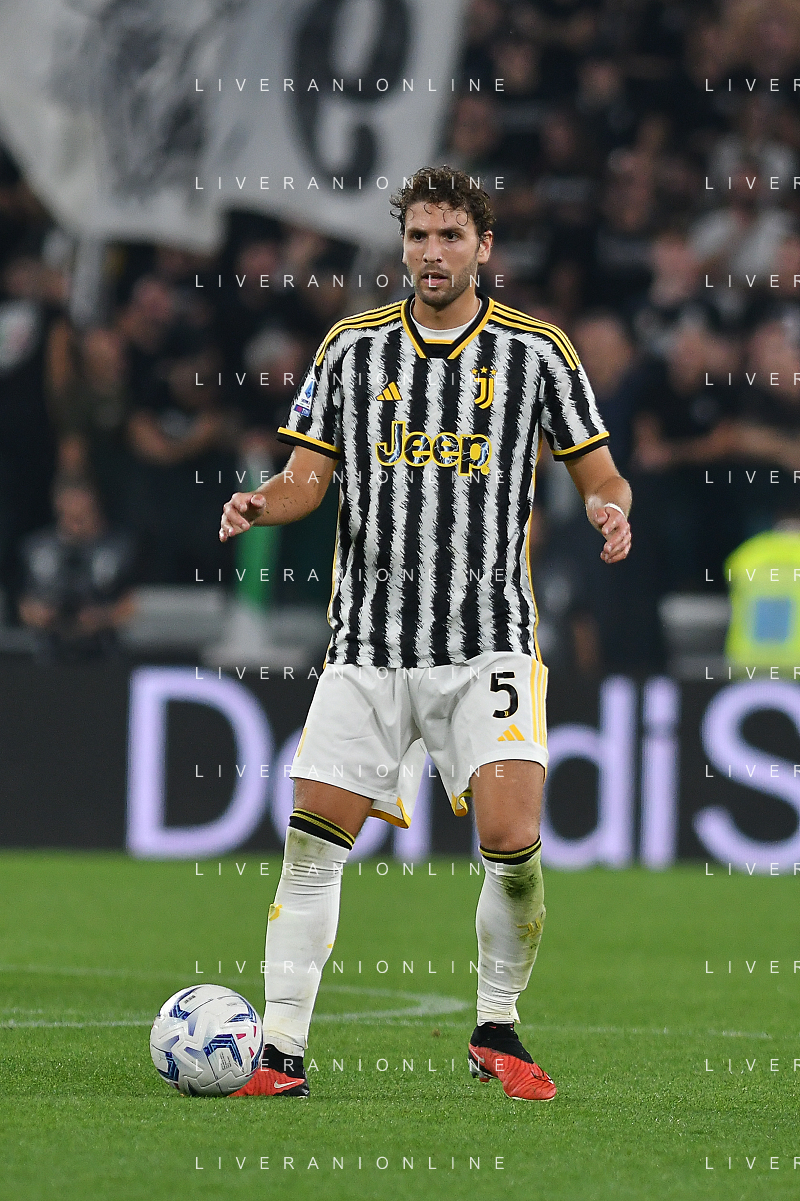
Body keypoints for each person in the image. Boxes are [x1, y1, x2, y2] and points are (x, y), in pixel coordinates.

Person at [219, 165, 632, 1103]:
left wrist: (610, 508)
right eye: (418, 236)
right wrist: (263, 502)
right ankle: (280, 1051)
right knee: (312, 845)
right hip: (368, 645)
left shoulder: (537, 352)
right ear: (401, 246)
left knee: (512, 845)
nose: (432, 252)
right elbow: (306, 479)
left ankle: (496, 1025)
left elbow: (601, 472)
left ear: (483, 246)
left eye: (450, 236)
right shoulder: (351, 348)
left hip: (489, 642)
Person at [18, 475, 135, 661]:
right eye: (70, 517)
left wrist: (102, 617)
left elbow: (136, 603)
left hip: (105, 652)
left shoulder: (120, 549)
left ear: (96, 510)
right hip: (47, 652)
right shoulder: (37, 549)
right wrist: (39, 614)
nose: (76, 525)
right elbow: (21, 603)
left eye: (83, 516)